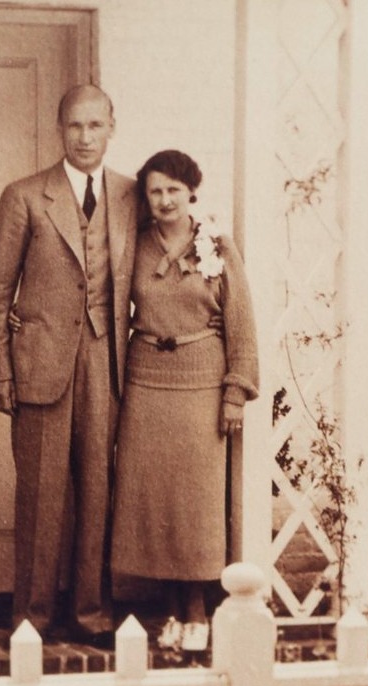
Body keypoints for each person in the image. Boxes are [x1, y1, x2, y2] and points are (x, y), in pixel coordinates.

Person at [0, 84, 138, 646]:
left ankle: (93, 613)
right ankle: (33, 617)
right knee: (41, 496)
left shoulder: (131, 195)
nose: (86, 137)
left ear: (112, 128)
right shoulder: (25, 196)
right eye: (75, 126)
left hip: (105, 362)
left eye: (96, 126)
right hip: (40, 366)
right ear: (59, 129)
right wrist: (1, 371)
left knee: (98, 491)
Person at [110, 149, 259, 653]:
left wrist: (235, 392)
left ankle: (197, 611)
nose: (165, 199)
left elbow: (240, 321)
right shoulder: (135, 244)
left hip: (201, 384)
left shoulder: (216, 244)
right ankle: (170, 612)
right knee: (155, 501)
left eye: (174, 189)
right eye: (155, 191)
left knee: (195, 504)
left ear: (191, 191)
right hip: (147, 382)